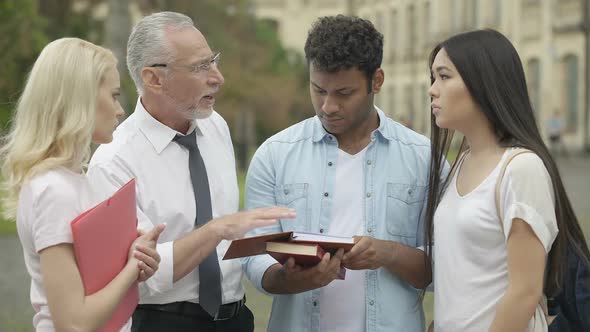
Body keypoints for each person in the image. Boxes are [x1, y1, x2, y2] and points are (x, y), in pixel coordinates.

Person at [87, 11, 295, 332]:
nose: (217, 77)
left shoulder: (216, 127)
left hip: (236, 319)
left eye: (213, 60)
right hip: (163, 322)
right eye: (200, 67)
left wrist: (292, 255)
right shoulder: (113, 162)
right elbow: (135, 275)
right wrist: (215, 231)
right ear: (154, 78)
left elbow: (230, 244)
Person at [243, 15, 432, 332]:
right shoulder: (274, 154)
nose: (328, 106)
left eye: (344, 93)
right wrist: (290, 279)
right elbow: (253, 254)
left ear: (377, 81)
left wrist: (387, 252)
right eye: (318, 90)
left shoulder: (423, 157)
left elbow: (443, 265)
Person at [424, 29, 590, 332]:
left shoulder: (520, 168)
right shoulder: (460, 164)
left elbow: (524, 293)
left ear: (483, 83)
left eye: (444, 77)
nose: (433, 90)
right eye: (433, 78)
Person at [0, 38, 164, 332]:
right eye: (114, 96)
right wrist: (131, 269)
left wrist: (135, 258)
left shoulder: (76, 179)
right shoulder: (53, 190)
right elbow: (73, 323)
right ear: (81, 99)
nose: (119, 110)